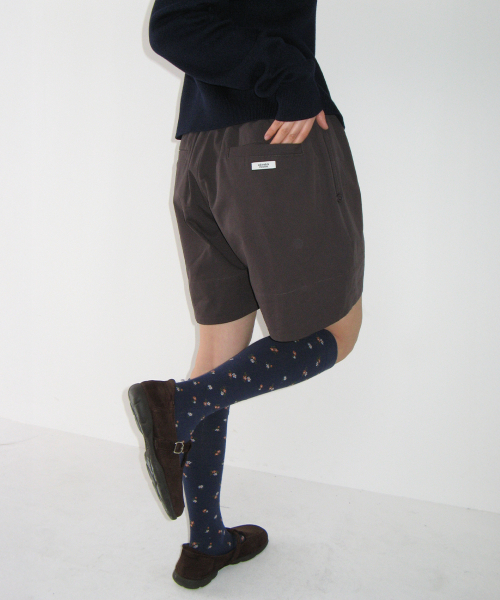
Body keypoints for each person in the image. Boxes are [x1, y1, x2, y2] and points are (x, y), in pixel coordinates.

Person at [128, 0, 365, 589]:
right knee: (338, 330)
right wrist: (291, 78)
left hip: (202, 156)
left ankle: (205, 543)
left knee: (218, 355)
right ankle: (177, 406)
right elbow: (171, 26)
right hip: (275, 138)